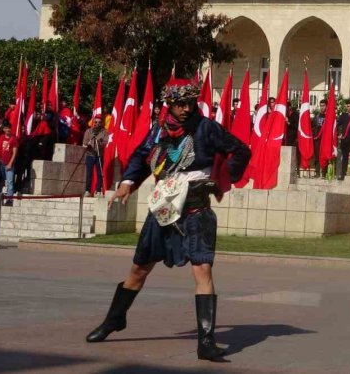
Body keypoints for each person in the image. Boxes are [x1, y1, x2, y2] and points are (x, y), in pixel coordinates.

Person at [86, 79, 250, 361]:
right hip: (163, 209)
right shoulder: (158, 130)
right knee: (139, 269)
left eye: (189, 103)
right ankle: (115, 319)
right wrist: (127, 182)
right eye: (179, 104)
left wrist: (220, 180)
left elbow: (241, 150)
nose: (186, 109)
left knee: (202, 270)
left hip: (196, 210)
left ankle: (206, 342)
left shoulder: (206, 128)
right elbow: (140, 156)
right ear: (169, 105)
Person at [83, 116, 108, 197]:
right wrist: (88, 144)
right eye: (96, 122)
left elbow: (105, 142)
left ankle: (98, 191)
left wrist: (99, 142)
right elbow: (84, 142)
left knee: (99, 173)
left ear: (102, 123)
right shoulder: (88, 131)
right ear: (93, 123)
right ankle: (87, 191)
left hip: (99, 155)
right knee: (89, 173)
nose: (97, 124)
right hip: (90, 155)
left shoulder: (104, 132)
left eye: (99, 122)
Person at [0, 123, 18, 200]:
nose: (7, 130)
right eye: (6, 128)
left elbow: (15, 152)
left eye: (9, 128)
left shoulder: (13, 138)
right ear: (3, 129)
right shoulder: (1, 137)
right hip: (0, 162)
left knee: (9, 182)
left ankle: (9, 199)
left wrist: (10, 163)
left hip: (9, 163)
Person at [311, 99, 328, 177]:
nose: (322, 107)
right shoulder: (316, 117)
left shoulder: (329, 117)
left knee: (325, 155)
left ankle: (324, 173)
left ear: (327, 106)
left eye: (323, 106)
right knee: (317, 155)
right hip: (317, 139)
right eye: (321, 106)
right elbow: (312, 127)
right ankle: (317, 172)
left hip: (325, 139)